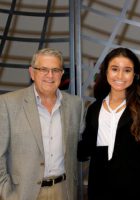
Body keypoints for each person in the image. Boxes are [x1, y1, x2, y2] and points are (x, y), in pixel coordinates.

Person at [0, 48, 84, 200]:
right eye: (43, 69)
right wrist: (7, 194)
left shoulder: (75, 105)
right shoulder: (8, 103)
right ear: (32, 73)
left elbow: (81, 148)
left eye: (55, 70)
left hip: (63, 191)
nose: (50, 75)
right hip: (23, 194)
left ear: (62, 74)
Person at [77, 47, 140, 200]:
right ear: (106, 72)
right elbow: (87, 147)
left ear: (135, 75)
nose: (120, 75)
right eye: (115, 69)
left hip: (135, 192)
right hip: (99, 190)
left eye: (127, 70)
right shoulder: (94, 109)